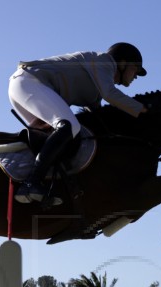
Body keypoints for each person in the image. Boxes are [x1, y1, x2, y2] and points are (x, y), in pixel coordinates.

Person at [8, 42, 148, 205]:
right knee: (69, 125)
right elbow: (111, 94)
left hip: (27, 86)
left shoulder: (97, 88)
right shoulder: (104, 61)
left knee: (57, 137)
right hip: (30, 82)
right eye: (135, 70)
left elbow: (98, 117)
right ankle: (31, 183)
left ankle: (36, 181)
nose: (135, 76)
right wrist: (144, 109)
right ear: (123, 64)